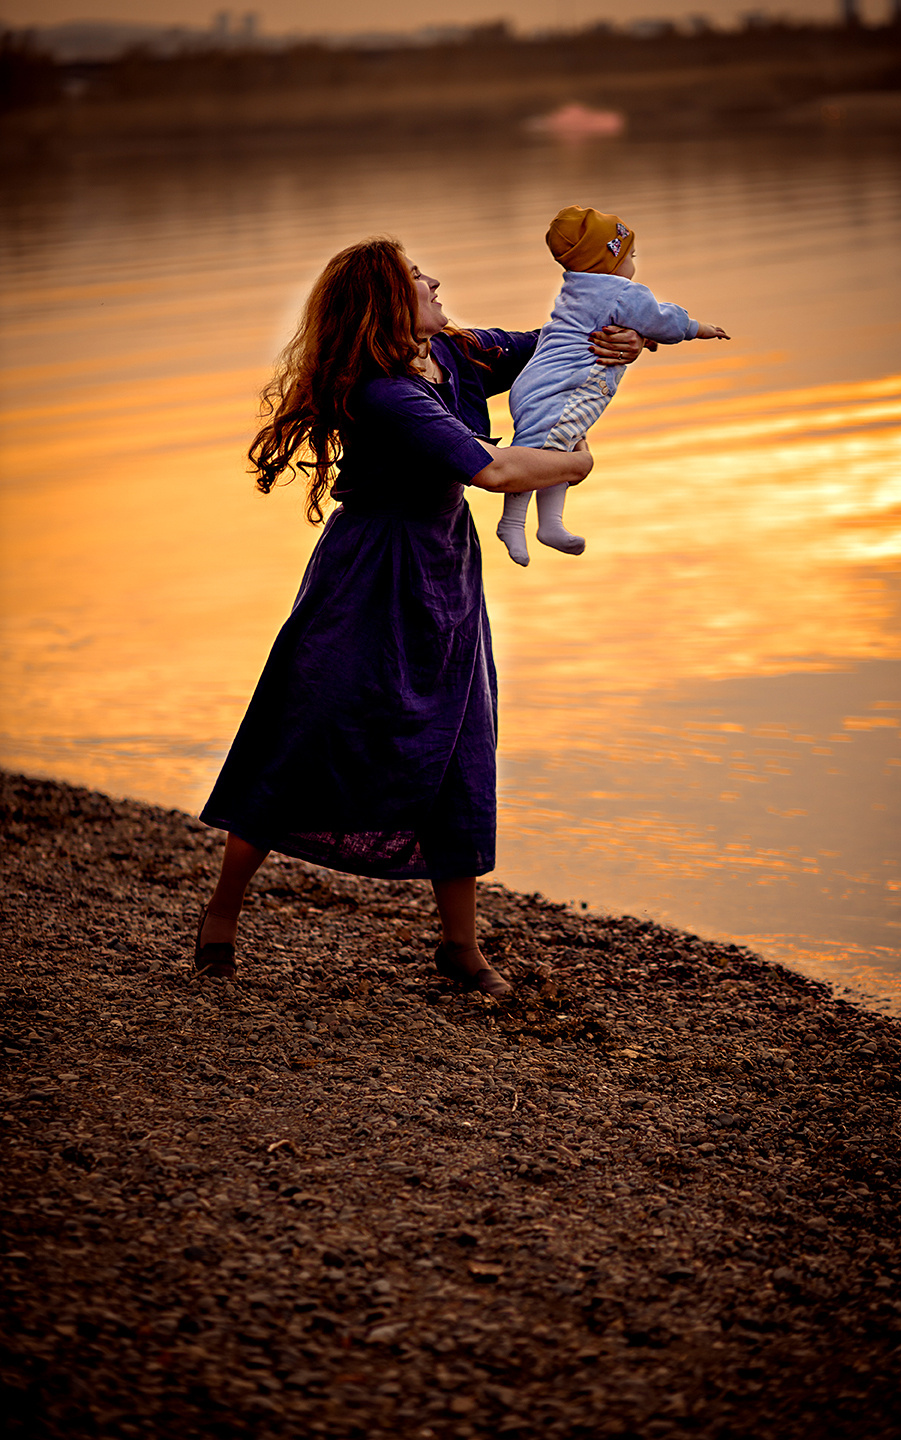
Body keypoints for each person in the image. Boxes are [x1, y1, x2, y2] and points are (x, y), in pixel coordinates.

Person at [194, 238, 645, 996]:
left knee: (459, 739)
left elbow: (558, 343)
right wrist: (579, 464)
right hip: (368, 572)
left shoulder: (457, 354)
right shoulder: (383, 394)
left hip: (444, 566)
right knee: (305, 730)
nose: (434, 280)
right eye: (414, 275)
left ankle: (460, 948)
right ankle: (220, 917)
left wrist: (621, 338)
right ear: (385, 301)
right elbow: (492, 469)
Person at [497, 204, 730, 567]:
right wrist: (697, 328)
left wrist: (641, 338)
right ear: (610, 260)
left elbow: (631, 326)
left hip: (540, 383)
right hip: (562, 389)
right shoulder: (622, 293)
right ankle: (512, 523)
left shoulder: (577, 288)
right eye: (630, 256)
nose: (633, 265)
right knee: (538, 454)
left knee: (557, 452)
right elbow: (661, 320)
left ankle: (551, 525)